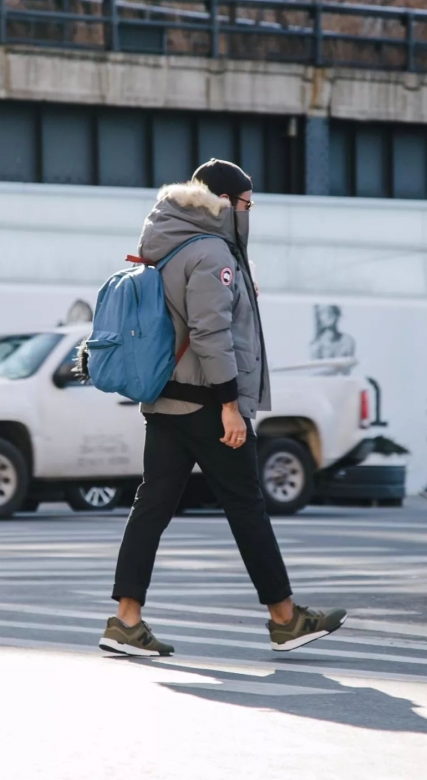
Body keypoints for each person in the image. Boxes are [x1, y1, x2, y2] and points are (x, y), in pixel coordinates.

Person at [99, 159, 347, 655]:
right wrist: (230, 406)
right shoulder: (211, 251)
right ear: (225, 203)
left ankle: (125, 621)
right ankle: (284, 617)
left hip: (166, 401)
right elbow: (211, 335)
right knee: (246, 507)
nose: (249, 213)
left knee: (152, 507)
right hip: (209, 405)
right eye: (246, 205)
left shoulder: (168, 242)